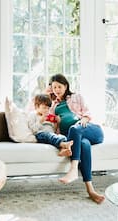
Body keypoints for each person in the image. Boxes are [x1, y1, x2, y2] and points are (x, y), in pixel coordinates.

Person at [49, 74, 105, 204]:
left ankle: (73, 169)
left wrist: (84, 119)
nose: (56, 89)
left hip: (89, 129)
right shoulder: (53, 106)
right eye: (54, 87)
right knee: (84, 145)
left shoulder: (76, 97)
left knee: (75, 128)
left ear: (66, 86)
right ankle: (91, 190)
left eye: (59, 86)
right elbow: (40, 113)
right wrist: (56, 122)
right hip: (73, 137)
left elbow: (87, 112)